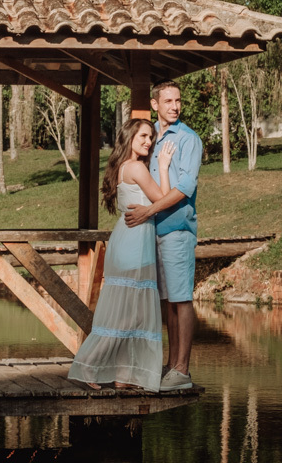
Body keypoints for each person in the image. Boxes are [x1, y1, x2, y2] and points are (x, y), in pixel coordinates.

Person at [68, 119, 176, 391]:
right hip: (134, 242)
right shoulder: (137, 167)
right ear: (129, 137)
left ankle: (124, 375)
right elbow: (161, 199)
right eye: (143, 136)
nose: (148, 141)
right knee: (127, 313)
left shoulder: (123, 166)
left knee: (134, 310)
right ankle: (89, 366)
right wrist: (163, 167)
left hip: (130, 239)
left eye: (151, 137)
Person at [124, 81, 201, 392]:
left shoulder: (188, 139)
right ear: (154, 104)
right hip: (151, 231)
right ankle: (171, 365)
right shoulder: (151, 137)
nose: (174, 106)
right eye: (167, 101)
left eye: (178, 100)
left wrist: (148, 211)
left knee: (182, 300)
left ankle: (182, 369)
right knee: (168, 301)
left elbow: (184, 190)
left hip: (177, 229)